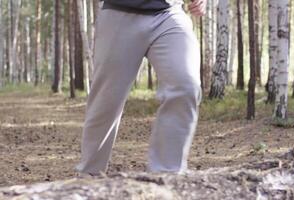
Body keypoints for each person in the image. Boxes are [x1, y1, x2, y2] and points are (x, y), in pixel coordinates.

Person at [76, 0, 206, 175]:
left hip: (169, 13)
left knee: (186, 85)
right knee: (106, 102)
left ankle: (167, 175)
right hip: (118, 13)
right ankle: (88, 178)